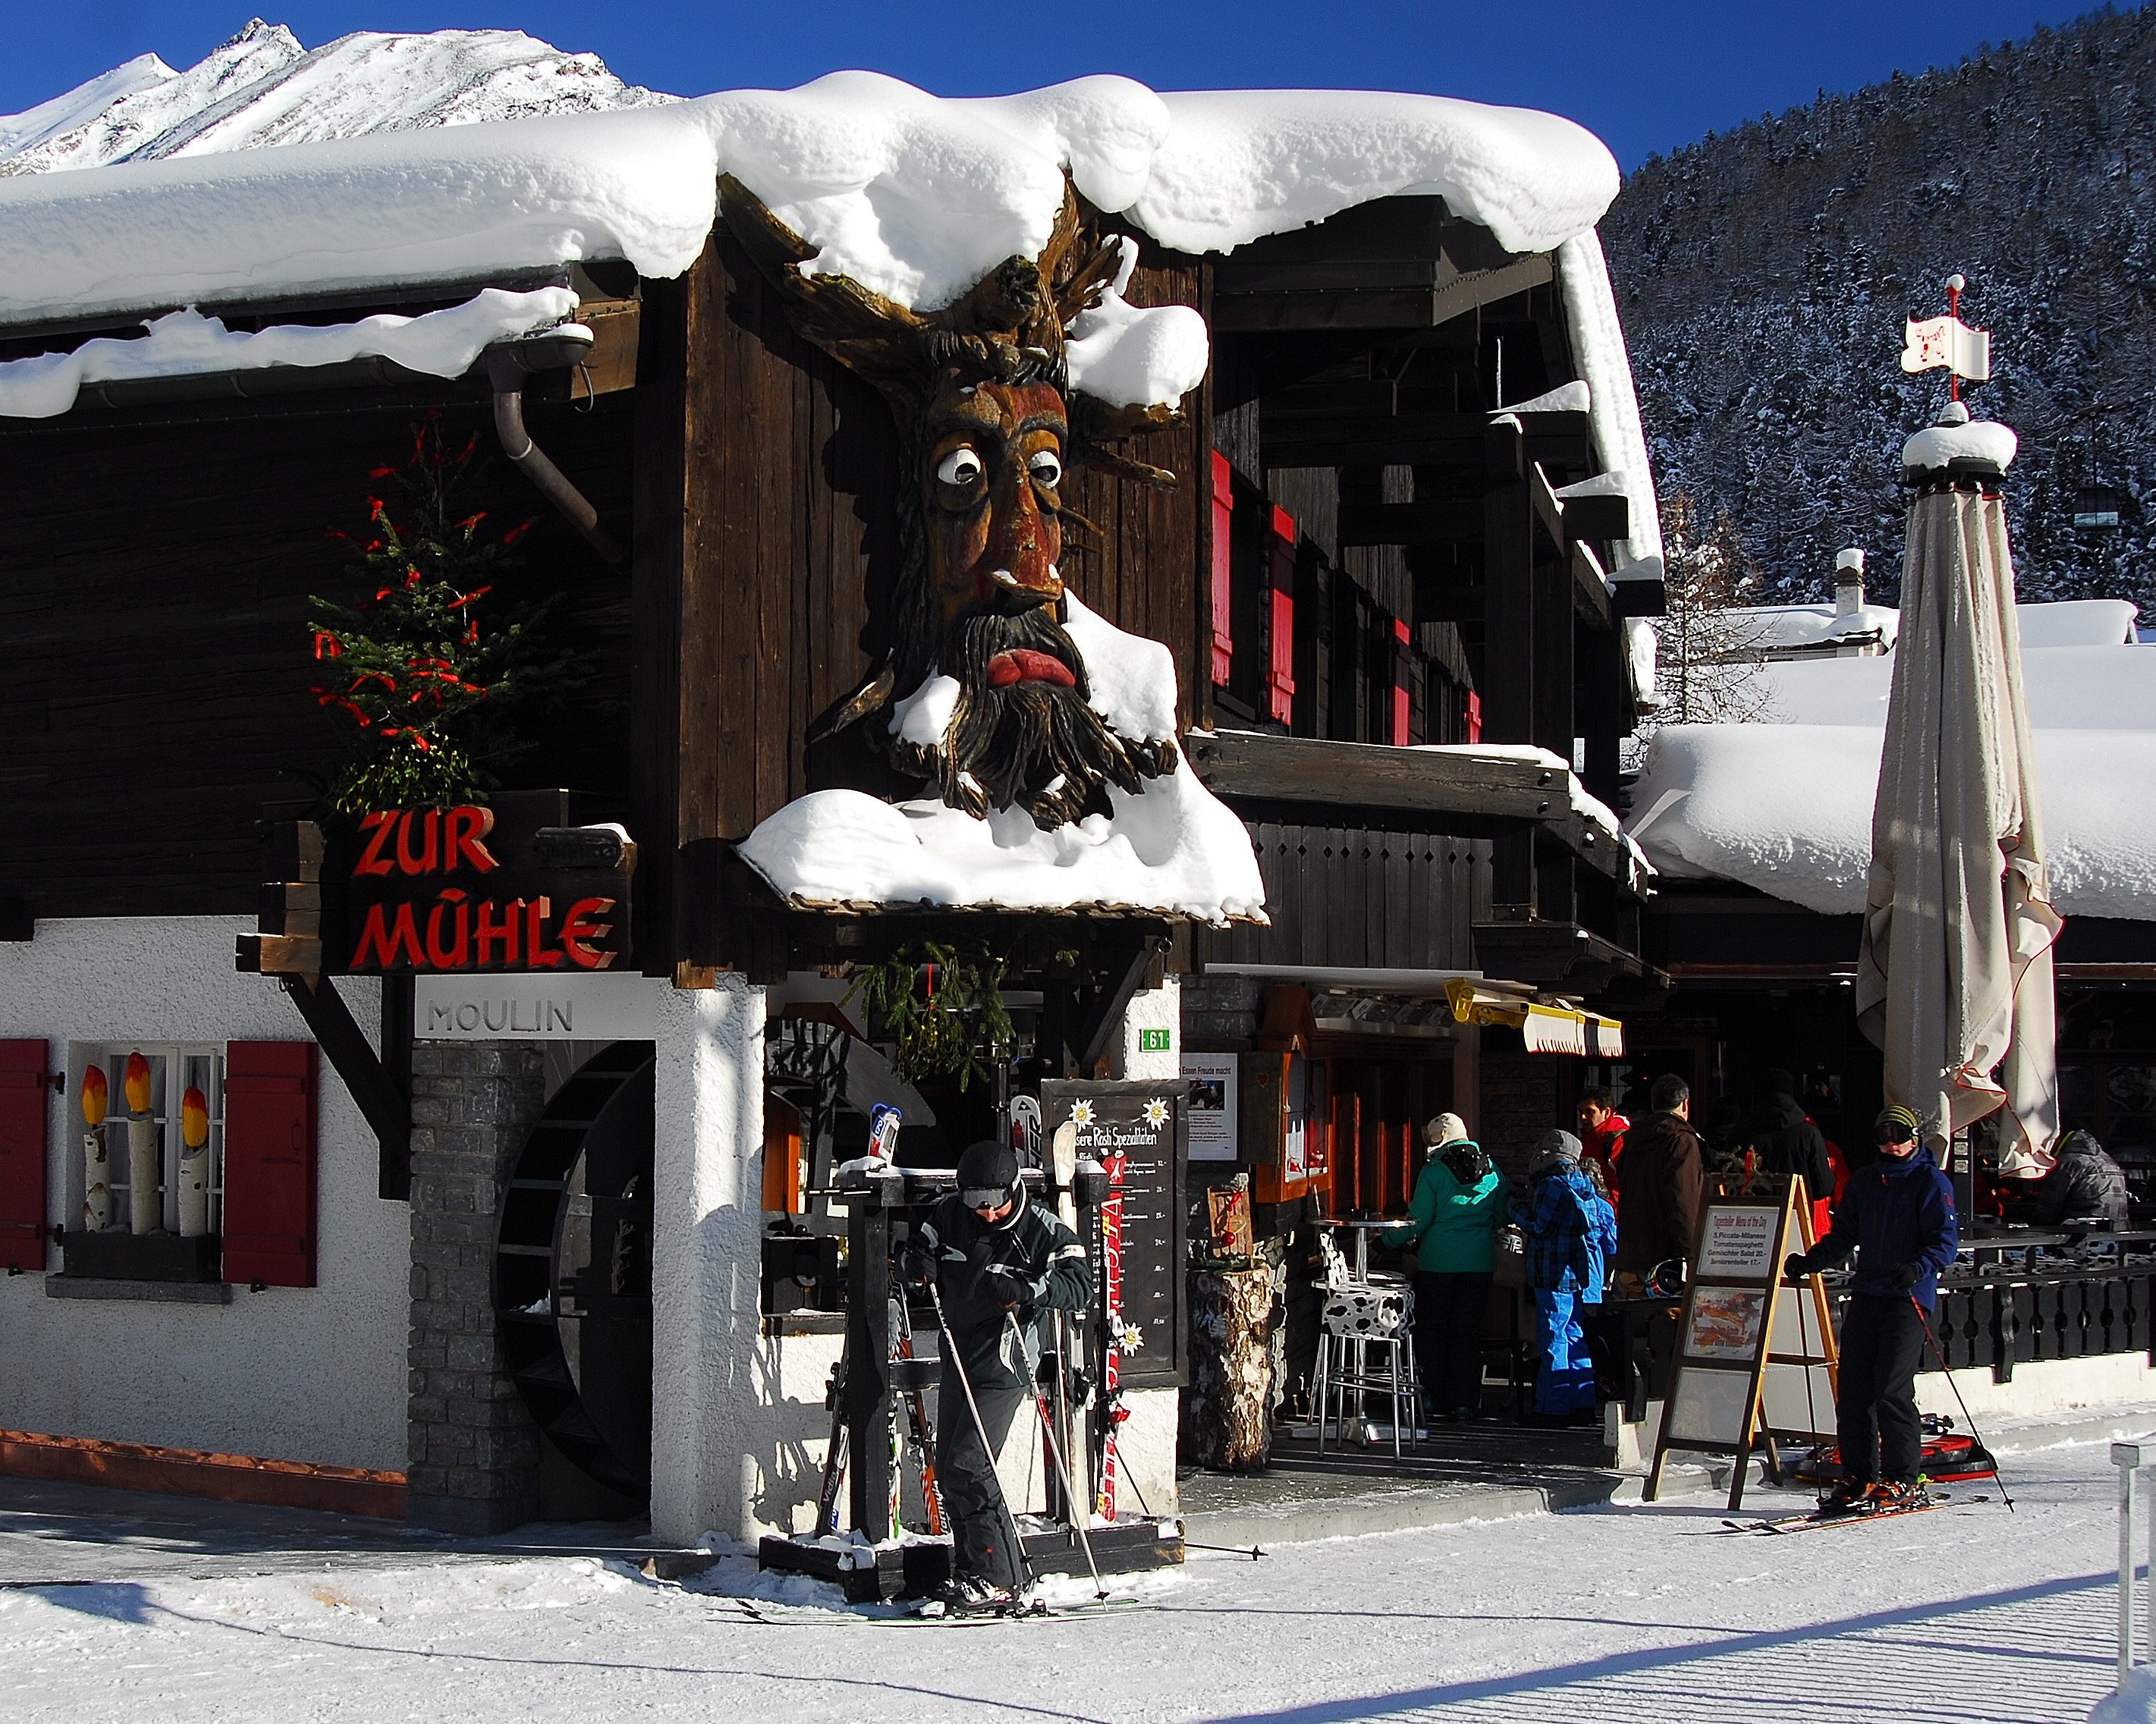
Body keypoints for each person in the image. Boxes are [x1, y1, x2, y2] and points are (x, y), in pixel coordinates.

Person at [904, 1139, 1091, 1610]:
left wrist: (1027, 1289)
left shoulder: (1040, 1228)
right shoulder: (950, 1216)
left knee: (970, 1463)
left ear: (1014, 1189)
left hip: (1004, 1363)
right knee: (950, 1469)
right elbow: (916, 1249)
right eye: (975, 1200)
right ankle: (974, 1570)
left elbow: (1080, 1284)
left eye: (994, 1201)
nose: (986, 1212)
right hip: (958, 1355)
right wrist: (917, 1265)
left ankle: (998, 1577)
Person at [1784, 1104, 1959, 1511]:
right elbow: (1844, 1234)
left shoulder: (1930, 1181)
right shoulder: (1866, 1181)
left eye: (1899, 1136)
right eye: (1883, 1137)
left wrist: (1916, 1268)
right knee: (1854, 1390)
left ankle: (1902, 1477)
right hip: (1868, 1292)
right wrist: (1810, 1261)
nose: (1891, 1144)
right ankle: (1858, 1474)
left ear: (1914, 1139)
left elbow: (1944, 1241)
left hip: (1907, 1298)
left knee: (1892, 1390)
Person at [1401, 1112, 1504, 1421]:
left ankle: (1430, 1397)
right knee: (1467, 1333)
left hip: (1437, 1262)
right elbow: (1501, 1215)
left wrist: (1386, 1242)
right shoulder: (1492, 1170)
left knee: (1432, 1330)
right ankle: (1464, 1402)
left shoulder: (1432, 1171)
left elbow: (1418, 1219)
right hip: (1479, 1263)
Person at [1511, 1129, 1606, 1423]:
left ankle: (1552, 1408)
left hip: (1551, 1272)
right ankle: (1582, 1404)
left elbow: (1539, 1226)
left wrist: (1514, 1209)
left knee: (1553, 1338)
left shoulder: (1552, 1184)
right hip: (1576, 1272)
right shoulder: (1584, 1184)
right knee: (1575, 1336)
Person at [1615, 1074, 1705, 1285]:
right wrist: (1690, 1253)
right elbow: (1682, 1199)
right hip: (1667, 1257)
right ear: (1685, 1104)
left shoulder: (1631, 1140)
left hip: (1633, 1250)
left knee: (1638, 1303)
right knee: (1670, 1306)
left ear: (1654, 1104)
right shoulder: (1681, 1140)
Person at [1733, 1068, 1834, 1210]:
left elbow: (1727, 1180)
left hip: (1751, 1218)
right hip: (1797, 1216)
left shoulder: (1740, 1132)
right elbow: (1824, 1187)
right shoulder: (1809, 1134)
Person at [2032, 1129, 2131, 1229]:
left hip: (2082, 1229)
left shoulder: (2068, 1162)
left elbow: (2049, 1206)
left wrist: (2034, 1226)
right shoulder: (2108, 1160)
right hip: (2118, 1228)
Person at [1577, 1086, 1630, 1192]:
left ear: (1607, 1112)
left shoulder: (1618, 1141)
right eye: (1581, 1111)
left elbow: (1619, 1187)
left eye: (1590, 1112)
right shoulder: (1584, 1141)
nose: (1583, 1117)